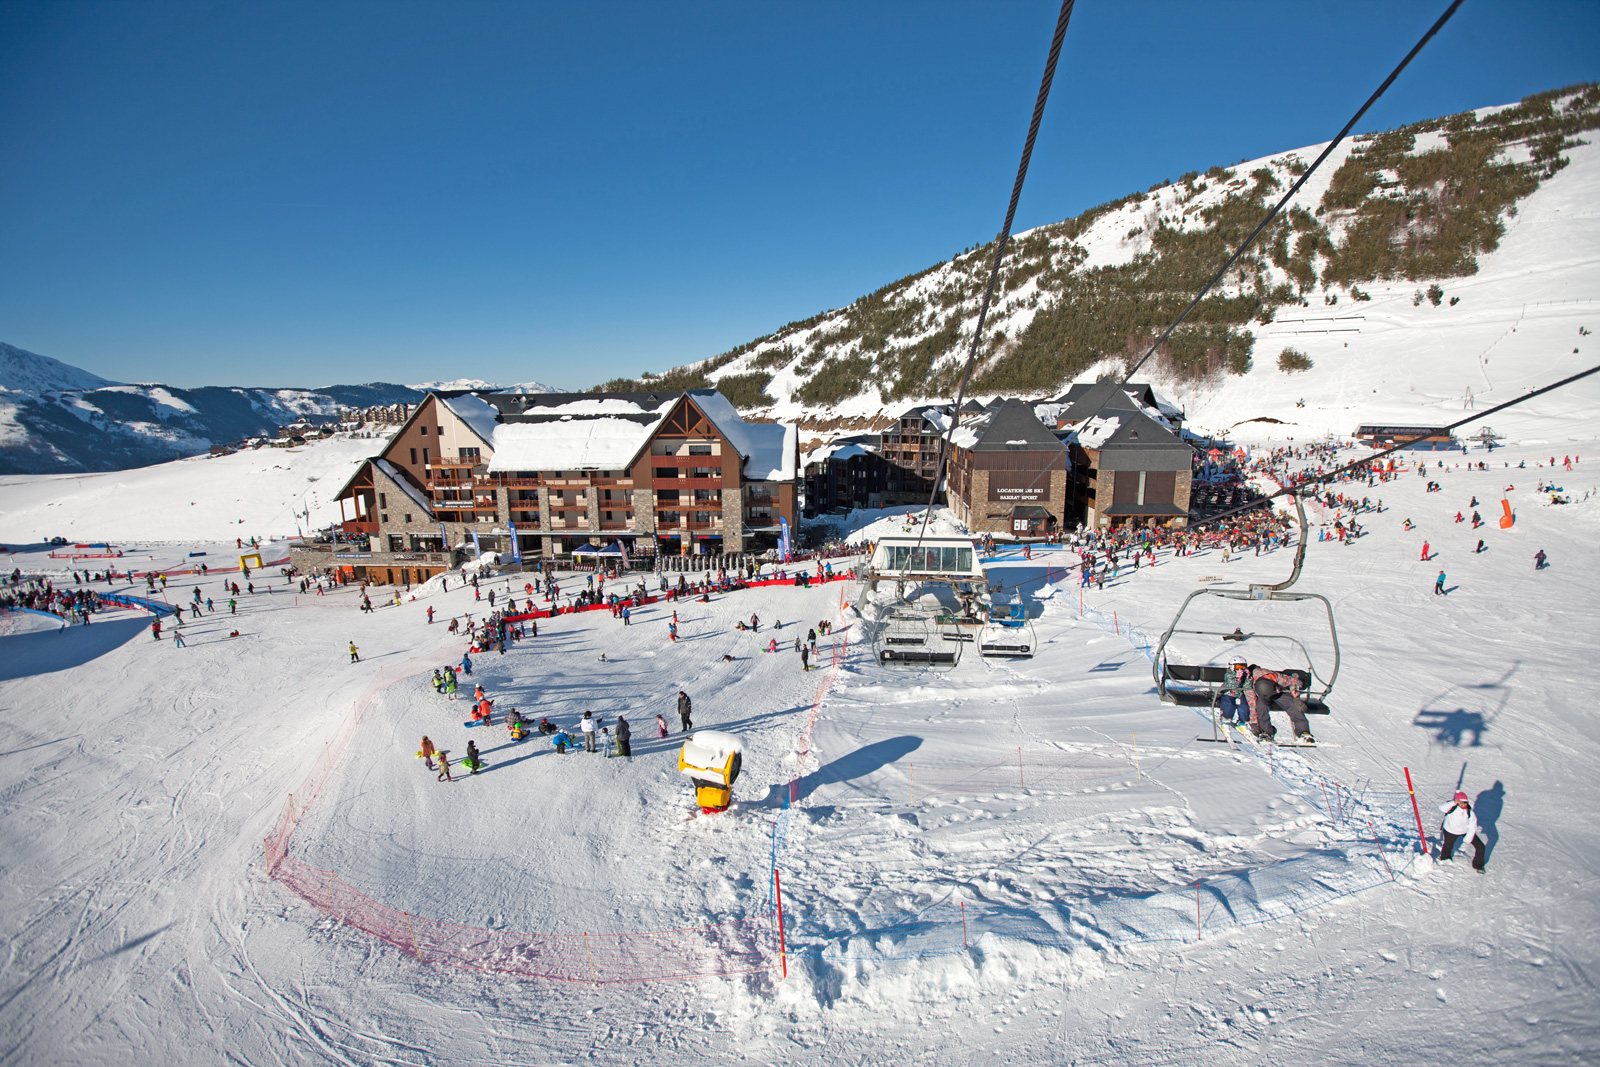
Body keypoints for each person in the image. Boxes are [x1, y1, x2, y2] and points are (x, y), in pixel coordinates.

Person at [1245, 666, 1314, 743]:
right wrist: (1254, 723)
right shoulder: (1249, 686)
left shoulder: (1275, 677)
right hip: (1261, 696)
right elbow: (1252, 705)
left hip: (1278, 692)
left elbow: (1295, 681)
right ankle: (1266, 733)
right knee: (1261, 707)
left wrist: (1296, 696)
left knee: (1293, 706)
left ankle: (1303, 732)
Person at [1438, 791, 1487, 872]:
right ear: (1457, 802)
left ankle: (1478, 865)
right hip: (1450, 830)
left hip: (1465, 830)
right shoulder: (1451, 807)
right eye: (1461, 802)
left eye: (1465, 802)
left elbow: (1472, 826)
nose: (1464, 804)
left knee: (1481, 847)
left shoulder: (1469, 812)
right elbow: (1441, 808)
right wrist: (1453, 802)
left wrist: (1468, 837)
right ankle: (1445, 859)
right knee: (1447, 846)